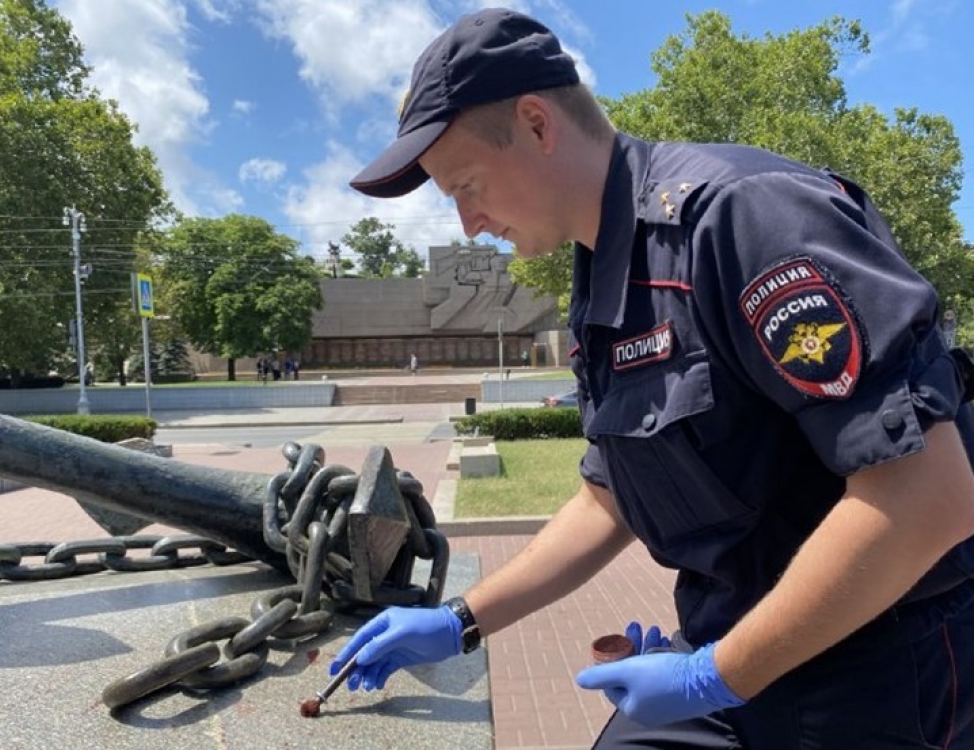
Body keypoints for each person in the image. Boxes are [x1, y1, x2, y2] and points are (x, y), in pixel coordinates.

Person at [330, 8, 974, 749]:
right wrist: (462, 620)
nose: (468, 223)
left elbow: (927, 495)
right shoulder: (609, 280)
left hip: (872, 659)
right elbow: (610, 499)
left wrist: (717, 676)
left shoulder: (741, 217)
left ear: (538, 124)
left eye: (466, 185)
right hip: (735, 648)